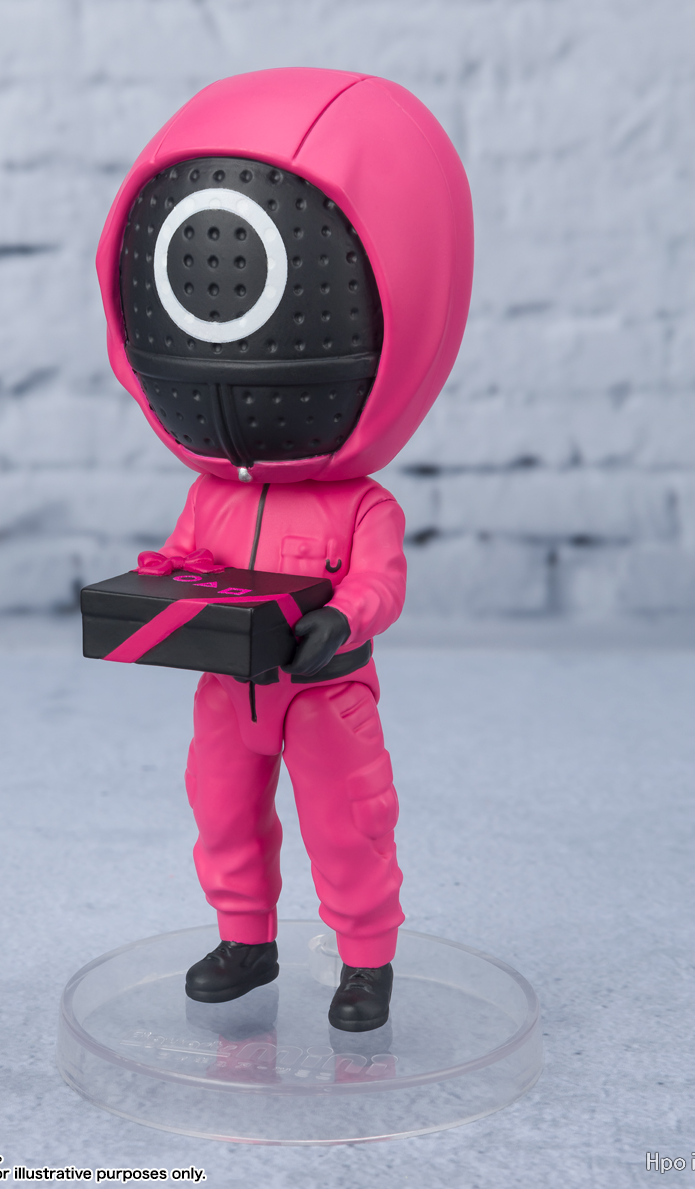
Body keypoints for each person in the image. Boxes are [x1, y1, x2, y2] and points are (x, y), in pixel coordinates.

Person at [95, 67, 473, 1030]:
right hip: (230, 691)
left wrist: (338, 622)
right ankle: (244, 939)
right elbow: (185, 560)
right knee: (221, 813)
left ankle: (366, 961)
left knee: (348, 827)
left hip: (323, 695)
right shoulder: (207, 493)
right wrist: (157, 591)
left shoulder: (362, 505)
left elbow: (380, 585)